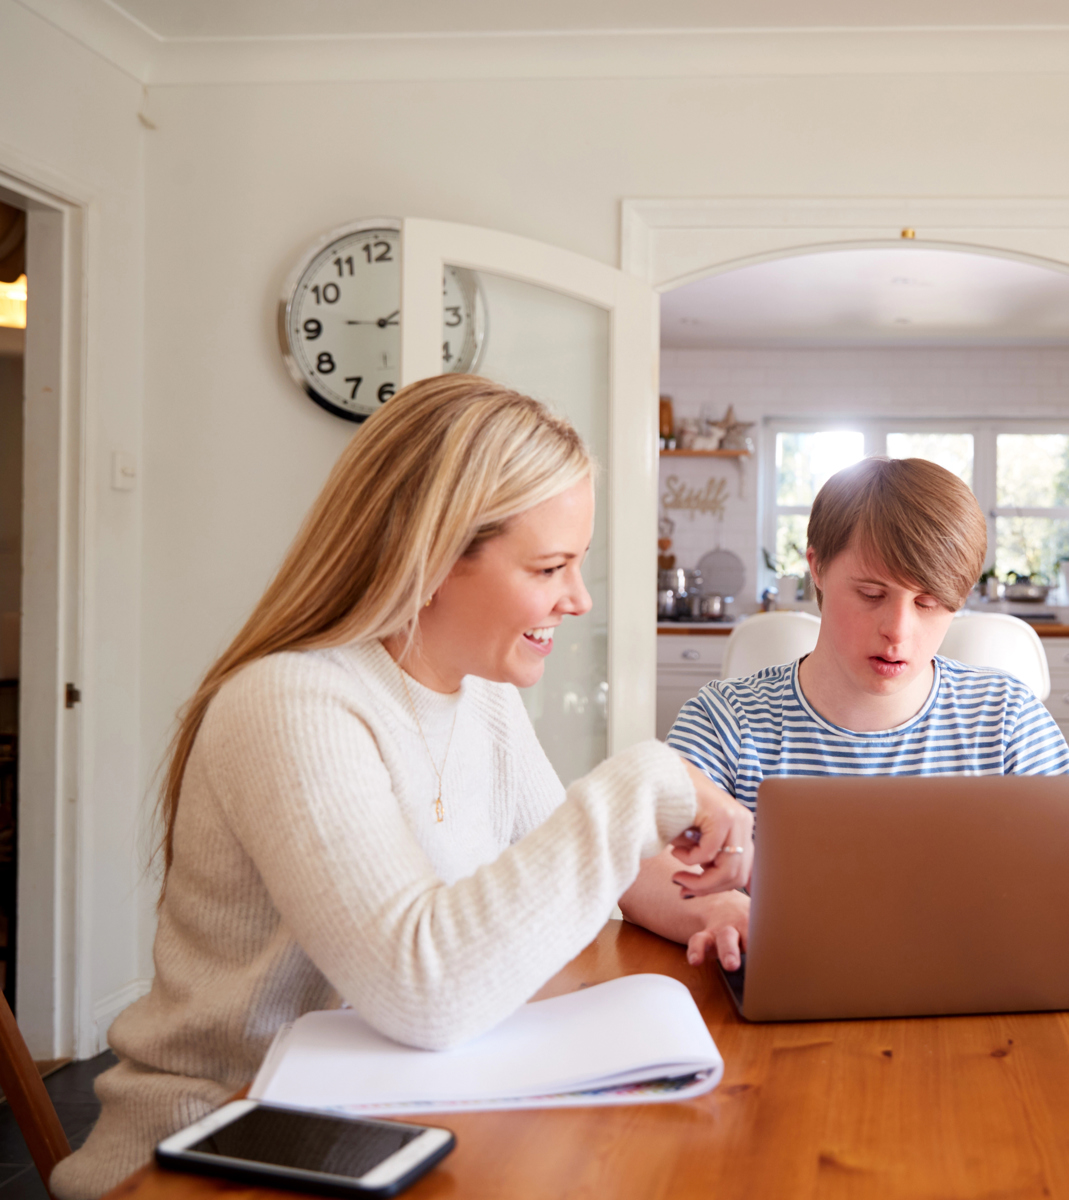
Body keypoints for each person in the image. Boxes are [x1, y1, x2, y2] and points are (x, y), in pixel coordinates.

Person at [50, 376, 754, 1200]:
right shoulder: (292, 703)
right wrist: (646, 779)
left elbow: (596, 870)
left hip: (390, 1122)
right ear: (428, 556)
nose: (579, 598)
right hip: (219, 1150)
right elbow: (424, 988)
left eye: (579, 563)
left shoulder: (480, 693)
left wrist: (713, 907)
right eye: (551, 566)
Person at [640, 456, 1069, 971]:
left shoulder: (1008, 719)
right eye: (872, 594)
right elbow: (636, 862)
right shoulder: (726, 721)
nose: (898, 630)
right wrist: (718, 909)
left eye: (930, 603)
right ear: (818, 567)